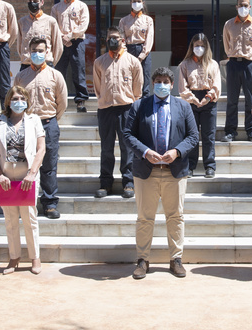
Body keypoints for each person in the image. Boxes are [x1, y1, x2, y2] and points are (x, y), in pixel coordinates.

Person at [123, 67, 199, 279]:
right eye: (158, 80)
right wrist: (145, 152)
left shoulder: (183, 106)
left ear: (172, 84)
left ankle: (176, 259)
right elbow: (128, 134)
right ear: (152, 83)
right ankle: (142, 260)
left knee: (175, 217)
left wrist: (177, 152)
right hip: (146, 171)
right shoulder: (139, 106)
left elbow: (193, 136)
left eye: (166, 81)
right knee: (145, 218)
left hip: (174, 172)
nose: (162, 84)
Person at [0, 86, 45, 275]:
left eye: (22, 98)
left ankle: (35, 257)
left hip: (27, 177)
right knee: (10, 220)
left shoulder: (34, 120)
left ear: (27, 101)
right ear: (8, 101)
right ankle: (14, 257)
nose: (18, 101)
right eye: (15, 98)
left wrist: (32, 173)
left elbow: (41, 149)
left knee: (30, 217)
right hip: (6, 178)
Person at [13, 37, 67, 219]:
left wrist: (51, 120)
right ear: (28, 52)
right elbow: (15, 100)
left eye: (41, 50)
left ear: (47, 52)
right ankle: (25, 202)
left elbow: (62, 103)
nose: (37, 54)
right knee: (23, 164)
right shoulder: (21, 76)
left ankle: (50, 203)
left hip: (47, 124)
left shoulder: (55, 75)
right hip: (26, 125)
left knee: (49, 165)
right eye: (34, 50)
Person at [93, 26, 143, 198]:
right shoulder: (99, 62)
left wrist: (131, 102)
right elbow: (98, 88)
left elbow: (138, 89)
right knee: (106, 148)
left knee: (127, 147)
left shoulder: (133, 62)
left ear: (123, 40)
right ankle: (105, 183)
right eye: (109, 38)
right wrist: (104, 101)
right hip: (106, 109)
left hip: (126, 108)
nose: (112, 40)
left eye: (115, 37)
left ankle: (128, 182)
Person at [222, 0, 252, 143]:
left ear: (250, 7)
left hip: (250, 64)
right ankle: (230, 131)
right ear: (236, 6)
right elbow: (226, 44)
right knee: (232, 99)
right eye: (240, 5)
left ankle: (251, 130)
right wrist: (232, 56)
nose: (243, 8)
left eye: (246, 5)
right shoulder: (228, 24)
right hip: (233, 63)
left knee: (251, 99)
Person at [177, 34, 221, 178]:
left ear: (206, 47)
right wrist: (193, 99)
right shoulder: (185, 64)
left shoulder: (213, 64)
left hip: (209, 100)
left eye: (202, 46)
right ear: (192, 47)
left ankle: (209, 165)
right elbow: (182, 87)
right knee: (192, 135)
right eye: (196, 45)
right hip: (191, 101)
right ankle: (190, 165)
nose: (199, 48)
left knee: (209, 135)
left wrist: (208, 98)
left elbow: (216, 84)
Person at [51, 0, 90, 113]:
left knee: (78, 72)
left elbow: (83, 25)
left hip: (76, 42)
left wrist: (71, 36)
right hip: (60, 43)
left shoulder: (81, 6)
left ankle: (80, 101)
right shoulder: (56, 8)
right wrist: (62, 37)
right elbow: (53, 26)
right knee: (58, 72)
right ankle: (57, 100)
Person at [17, 0, 63, 71]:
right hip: (26, 66)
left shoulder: (51, 21)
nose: (32, 3)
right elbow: (19, 46)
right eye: (29, 1)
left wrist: (50, 62)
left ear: (42, 2)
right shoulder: (22, 22)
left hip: (46, 65)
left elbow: (58, 46)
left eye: (35, 1)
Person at [119, 0, 154, 97]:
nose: (136, 3)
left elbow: (149, 38)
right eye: (134, 1)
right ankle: (130, 100)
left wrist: (142, 55)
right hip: (129, 50)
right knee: (128, 76)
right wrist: (125, 52)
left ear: (143, 3)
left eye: (138, 1)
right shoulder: (124, 20)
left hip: (143, 49)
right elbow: (121, 38)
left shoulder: (148, 20)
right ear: (130, 3)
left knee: (145, 76)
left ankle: (144, 100)